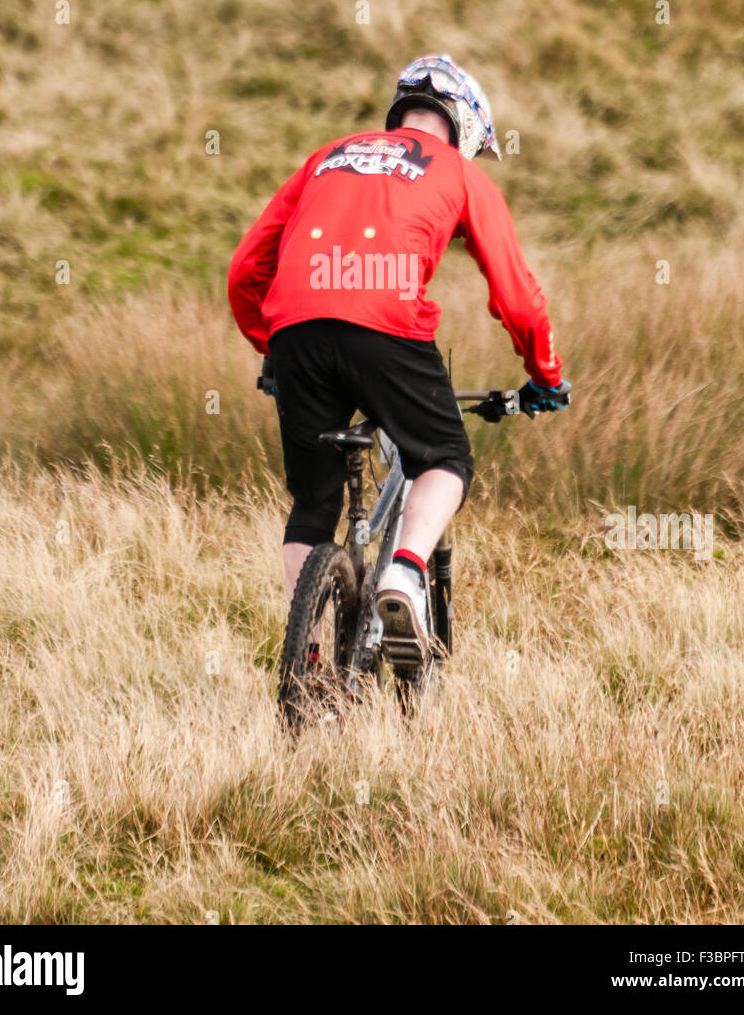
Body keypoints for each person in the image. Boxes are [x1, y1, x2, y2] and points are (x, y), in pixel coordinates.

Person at [227, 54, 570, 661]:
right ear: (465, 127)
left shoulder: (327, 156)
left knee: (313, 505)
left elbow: (245, 269)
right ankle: (405, 573)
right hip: (386, 325)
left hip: (297, 331)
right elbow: (516, 294)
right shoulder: (462, 175)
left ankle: (306, 668)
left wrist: (274, 352)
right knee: (444, 455)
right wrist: (544, 375)